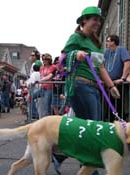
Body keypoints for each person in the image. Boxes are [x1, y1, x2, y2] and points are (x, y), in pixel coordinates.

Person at [58, 6, 120, 175]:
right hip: (79, 86)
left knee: (88, 128)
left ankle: (59, 155)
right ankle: (89, 170)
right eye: (94, 19)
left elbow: (101, 68)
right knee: (92, 129)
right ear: (84, 20)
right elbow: (62, 59)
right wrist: (75, 53)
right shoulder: (76, 37)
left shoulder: (97, 43)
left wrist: (111, 86)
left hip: (93, 88)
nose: (98, 23)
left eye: (99, 20)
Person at [104, 34, 130, 119]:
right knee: (108, 106)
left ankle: (119, 124)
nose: (106, 43)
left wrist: (122, 78)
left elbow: (127, 63)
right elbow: (102, 65)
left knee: (118, 105)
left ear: (113, 42)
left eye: (108, 41)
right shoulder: (106, 52)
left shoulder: (121, 50)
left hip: (118, 83)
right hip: (108, 83)